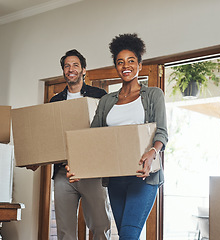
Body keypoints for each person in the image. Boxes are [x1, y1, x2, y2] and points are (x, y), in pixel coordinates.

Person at [68, 34, 168, 239]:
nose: (126, 66)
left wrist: (153, 151)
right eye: (120, 62)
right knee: (124, 234)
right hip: (115, 179)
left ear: (140, 64)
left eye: (131, 61)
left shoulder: (153, 95)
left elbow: (162, 132)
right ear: (116, 67)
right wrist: (80, 166)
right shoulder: (107, 101)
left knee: (128, 236)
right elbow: (93, 138)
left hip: (143, 176)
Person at [28, 49, 112, 240]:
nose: (71, 69)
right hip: (63, 173)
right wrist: (38, 160)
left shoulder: (99, 95)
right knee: (65, 231)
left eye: (75, 65)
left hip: (93, 171)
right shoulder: (55, 101)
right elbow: (50, 138)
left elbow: (107, 132)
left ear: (83, 70)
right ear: (63, 71)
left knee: (100, 226)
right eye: (67, 66)